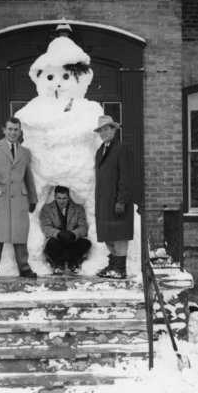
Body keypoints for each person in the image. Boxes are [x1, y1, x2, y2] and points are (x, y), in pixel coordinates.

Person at [0, 117, 38, 279]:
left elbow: (28, 177)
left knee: (20, 235)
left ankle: (24, 268)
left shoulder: (25, 153)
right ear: (4, 130)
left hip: (19, 199)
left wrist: (32, 198)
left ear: (20, 132)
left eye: (16, 129)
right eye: (10, 129)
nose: (13, 132)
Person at [94, 115, 135, 279]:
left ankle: (120, 268)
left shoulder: (122, 148)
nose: (103, 132)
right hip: (104, 201)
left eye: (106, 129)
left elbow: (126, 177)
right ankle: (113, 265)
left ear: (113, 130)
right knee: (108, 234)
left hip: (117, 201)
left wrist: (121, 201)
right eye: (101, 130)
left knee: (119, 235)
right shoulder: (100, 151)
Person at [39, 185, 91, 274]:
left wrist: (74, 234)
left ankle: (70, 261)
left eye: (64, 198)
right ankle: (60, 263)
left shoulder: (78, 209)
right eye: (59, 198)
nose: (61, 201)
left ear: (68, 197)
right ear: (54, 197)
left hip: (72, 240)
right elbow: (45, 227)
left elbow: (83, 226)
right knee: (51, 244)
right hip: (57, 240)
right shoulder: (47, 209)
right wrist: (58, 234)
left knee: (85, 243)